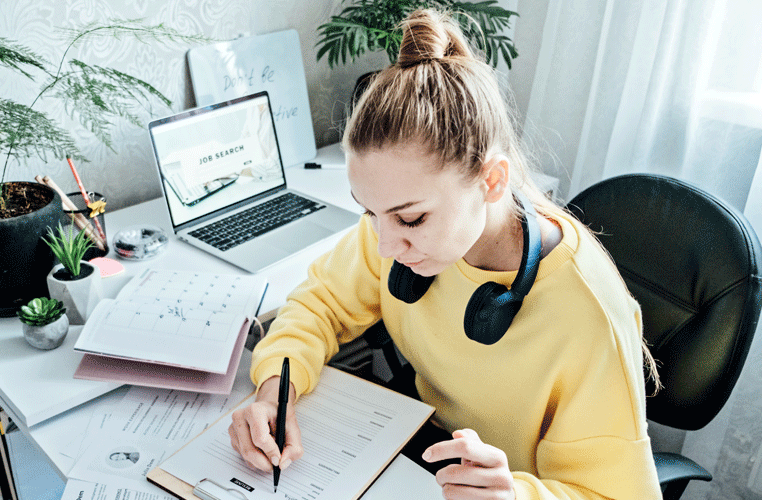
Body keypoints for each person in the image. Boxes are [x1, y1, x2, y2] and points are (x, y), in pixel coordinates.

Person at [227, 8, 662, 500]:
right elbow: (318, 304)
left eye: (411, 219)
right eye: (370, 213)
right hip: (418, 459)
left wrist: (516, 496)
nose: (387, 246)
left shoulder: (587, 316)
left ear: (491, 181)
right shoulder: (396, 230)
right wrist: (273, 391)